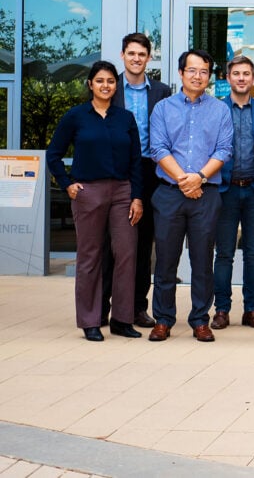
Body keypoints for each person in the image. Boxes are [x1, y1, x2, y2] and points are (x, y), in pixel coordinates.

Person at [46, 60, 144, 341]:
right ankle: (90, 320)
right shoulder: (76, 117)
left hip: (123, 192)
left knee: (126, 254)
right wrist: (67, 184)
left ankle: (122, 319)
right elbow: (53, 155)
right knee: (89, 257)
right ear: (90, 84)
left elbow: (136, 160)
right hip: (88, 192)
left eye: (111, 81)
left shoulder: (125, 118)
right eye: (100, 80)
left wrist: (137, 196)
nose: (105, 85)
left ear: (117, 86)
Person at [148, 49, 233, 343]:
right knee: (165, 261)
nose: (198, 76)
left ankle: (199, 319)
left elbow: (223, 149)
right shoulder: (163, 108)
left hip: (206, 194)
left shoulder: (220, 109)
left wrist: (199, 177)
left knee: (202, 261)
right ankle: (163, 319)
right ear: (181, 73)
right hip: (170, 193)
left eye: (204, 72)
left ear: (209, 77)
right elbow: (158, 148)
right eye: (192, 70)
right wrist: (184, 180)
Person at [104, 33, 171, 329]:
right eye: (131, 53)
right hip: (114, 170)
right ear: (122, 55)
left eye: (142, 54)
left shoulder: (161, 91)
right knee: (110, 244)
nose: (136, 58)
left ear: (148, 58)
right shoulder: (109, 87)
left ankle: (136, 308)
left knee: (144, 244)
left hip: (149, 170)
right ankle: (102, 306)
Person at [211, 56, 254, 331]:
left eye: (247, 73)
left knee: (253, 254)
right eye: (237, 73)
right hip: (225, 191)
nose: (242, 78)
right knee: (224, 254)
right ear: (228, 78)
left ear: (253, 78)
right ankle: (221, 309)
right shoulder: (216, 109)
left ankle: (252, 309)